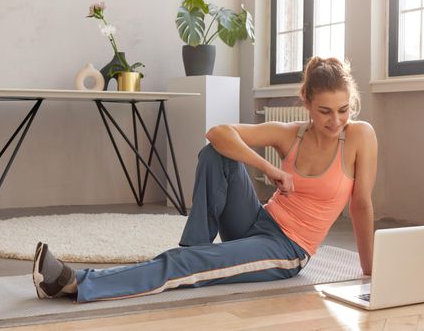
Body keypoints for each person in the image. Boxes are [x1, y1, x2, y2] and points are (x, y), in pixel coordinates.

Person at [32, 56, 377, 302]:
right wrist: (270, 169)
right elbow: (217, 133)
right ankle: (193, 252)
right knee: (217, 153)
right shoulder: (291, 133)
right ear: (306, 103)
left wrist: (369, 270)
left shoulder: (360, 137)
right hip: (258, 220)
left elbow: (360, 204)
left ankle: (75, 284)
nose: (336, 121)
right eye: (325, 111)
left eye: (344, 109)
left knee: (187, 262)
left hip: (287, 248)